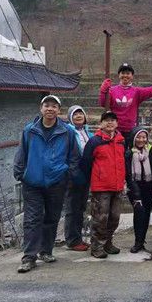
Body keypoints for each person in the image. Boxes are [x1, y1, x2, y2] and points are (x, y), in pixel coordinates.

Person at [14, 95, 80, 273]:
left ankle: (45, 251)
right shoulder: (30, 130)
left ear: (59, 110)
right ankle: (29, 257)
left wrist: (67, 175)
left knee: (52, 217)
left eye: (54, 106)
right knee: (32, 219)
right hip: (32, 181)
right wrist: (20, 173)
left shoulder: (67, 131)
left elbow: (74, 156)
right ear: (41, 108)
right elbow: (22, 152)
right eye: (47, 105)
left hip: (57, 181)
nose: (50, 109)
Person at [80, 111, 126, 259]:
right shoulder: (94, 141)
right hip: (101, 187)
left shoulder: (121, 141)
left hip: (117, 186)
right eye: (106, 120)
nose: (110, 123)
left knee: (114, 218)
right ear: (101, 124)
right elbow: (85, 163)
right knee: (100, 219)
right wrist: (95, 179)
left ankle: (108, 243)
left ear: (117, 123)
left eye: (113, 120)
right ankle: (97, 246)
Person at [98, 63, 152, 142]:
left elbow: (149, 90)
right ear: (119, 75)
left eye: (128, 73)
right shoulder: (111, 90)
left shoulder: (136, 92)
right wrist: (103, 91)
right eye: (123, 73)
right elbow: (103, 104)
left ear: (132, 76)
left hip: (131, 130)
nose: (125, 75)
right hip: (115, 130)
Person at [64, 104, 92, 252]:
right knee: (72, 208)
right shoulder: (68, 132)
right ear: (70, 118)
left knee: (81, 207)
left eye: (81, 113)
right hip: (73, 174)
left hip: (85, 174)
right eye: (75, 114)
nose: (79, 116)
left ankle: (78, 238)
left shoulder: (87, 131)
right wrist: (73, 172)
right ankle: (72, 240)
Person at [125, 127, 152, 253]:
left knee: (146, 214)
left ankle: (142, 241)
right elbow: (128, 174)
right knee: (139, 213)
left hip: (148, 187)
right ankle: (138, 242)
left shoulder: (151, 151)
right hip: (134, 188)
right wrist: (135, 190)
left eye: (144, 137)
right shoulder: (129, 153)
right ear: (133, 138)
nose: (141, 140)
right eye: (138, 137)